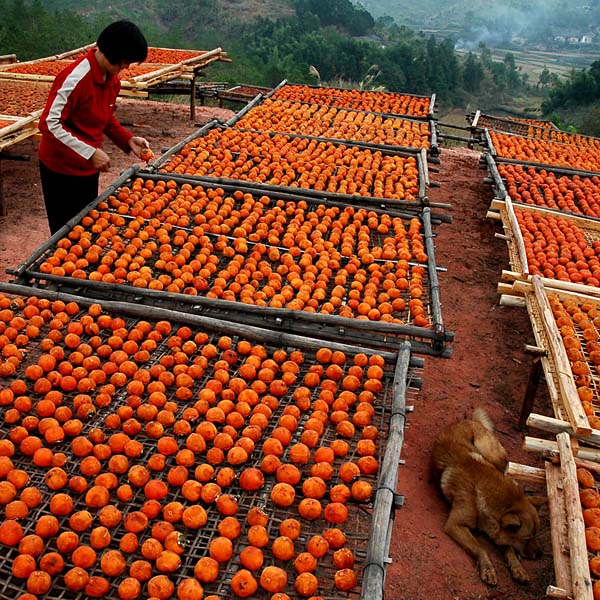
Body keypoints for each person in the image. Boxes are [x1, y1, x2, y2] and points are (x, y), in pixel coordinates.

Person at [38, 20, 153, 234]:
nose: (125, 67)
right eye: (124, 61)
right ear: (112, 52)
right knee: (64, 234)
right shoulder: (75, 78)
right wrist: (89, 152)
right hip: (60, 169)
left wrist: (126, 139)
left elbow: (105, 116)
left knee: (84, 228)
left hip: (88, 168)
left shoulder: (112, 79)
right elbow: (49, 123)